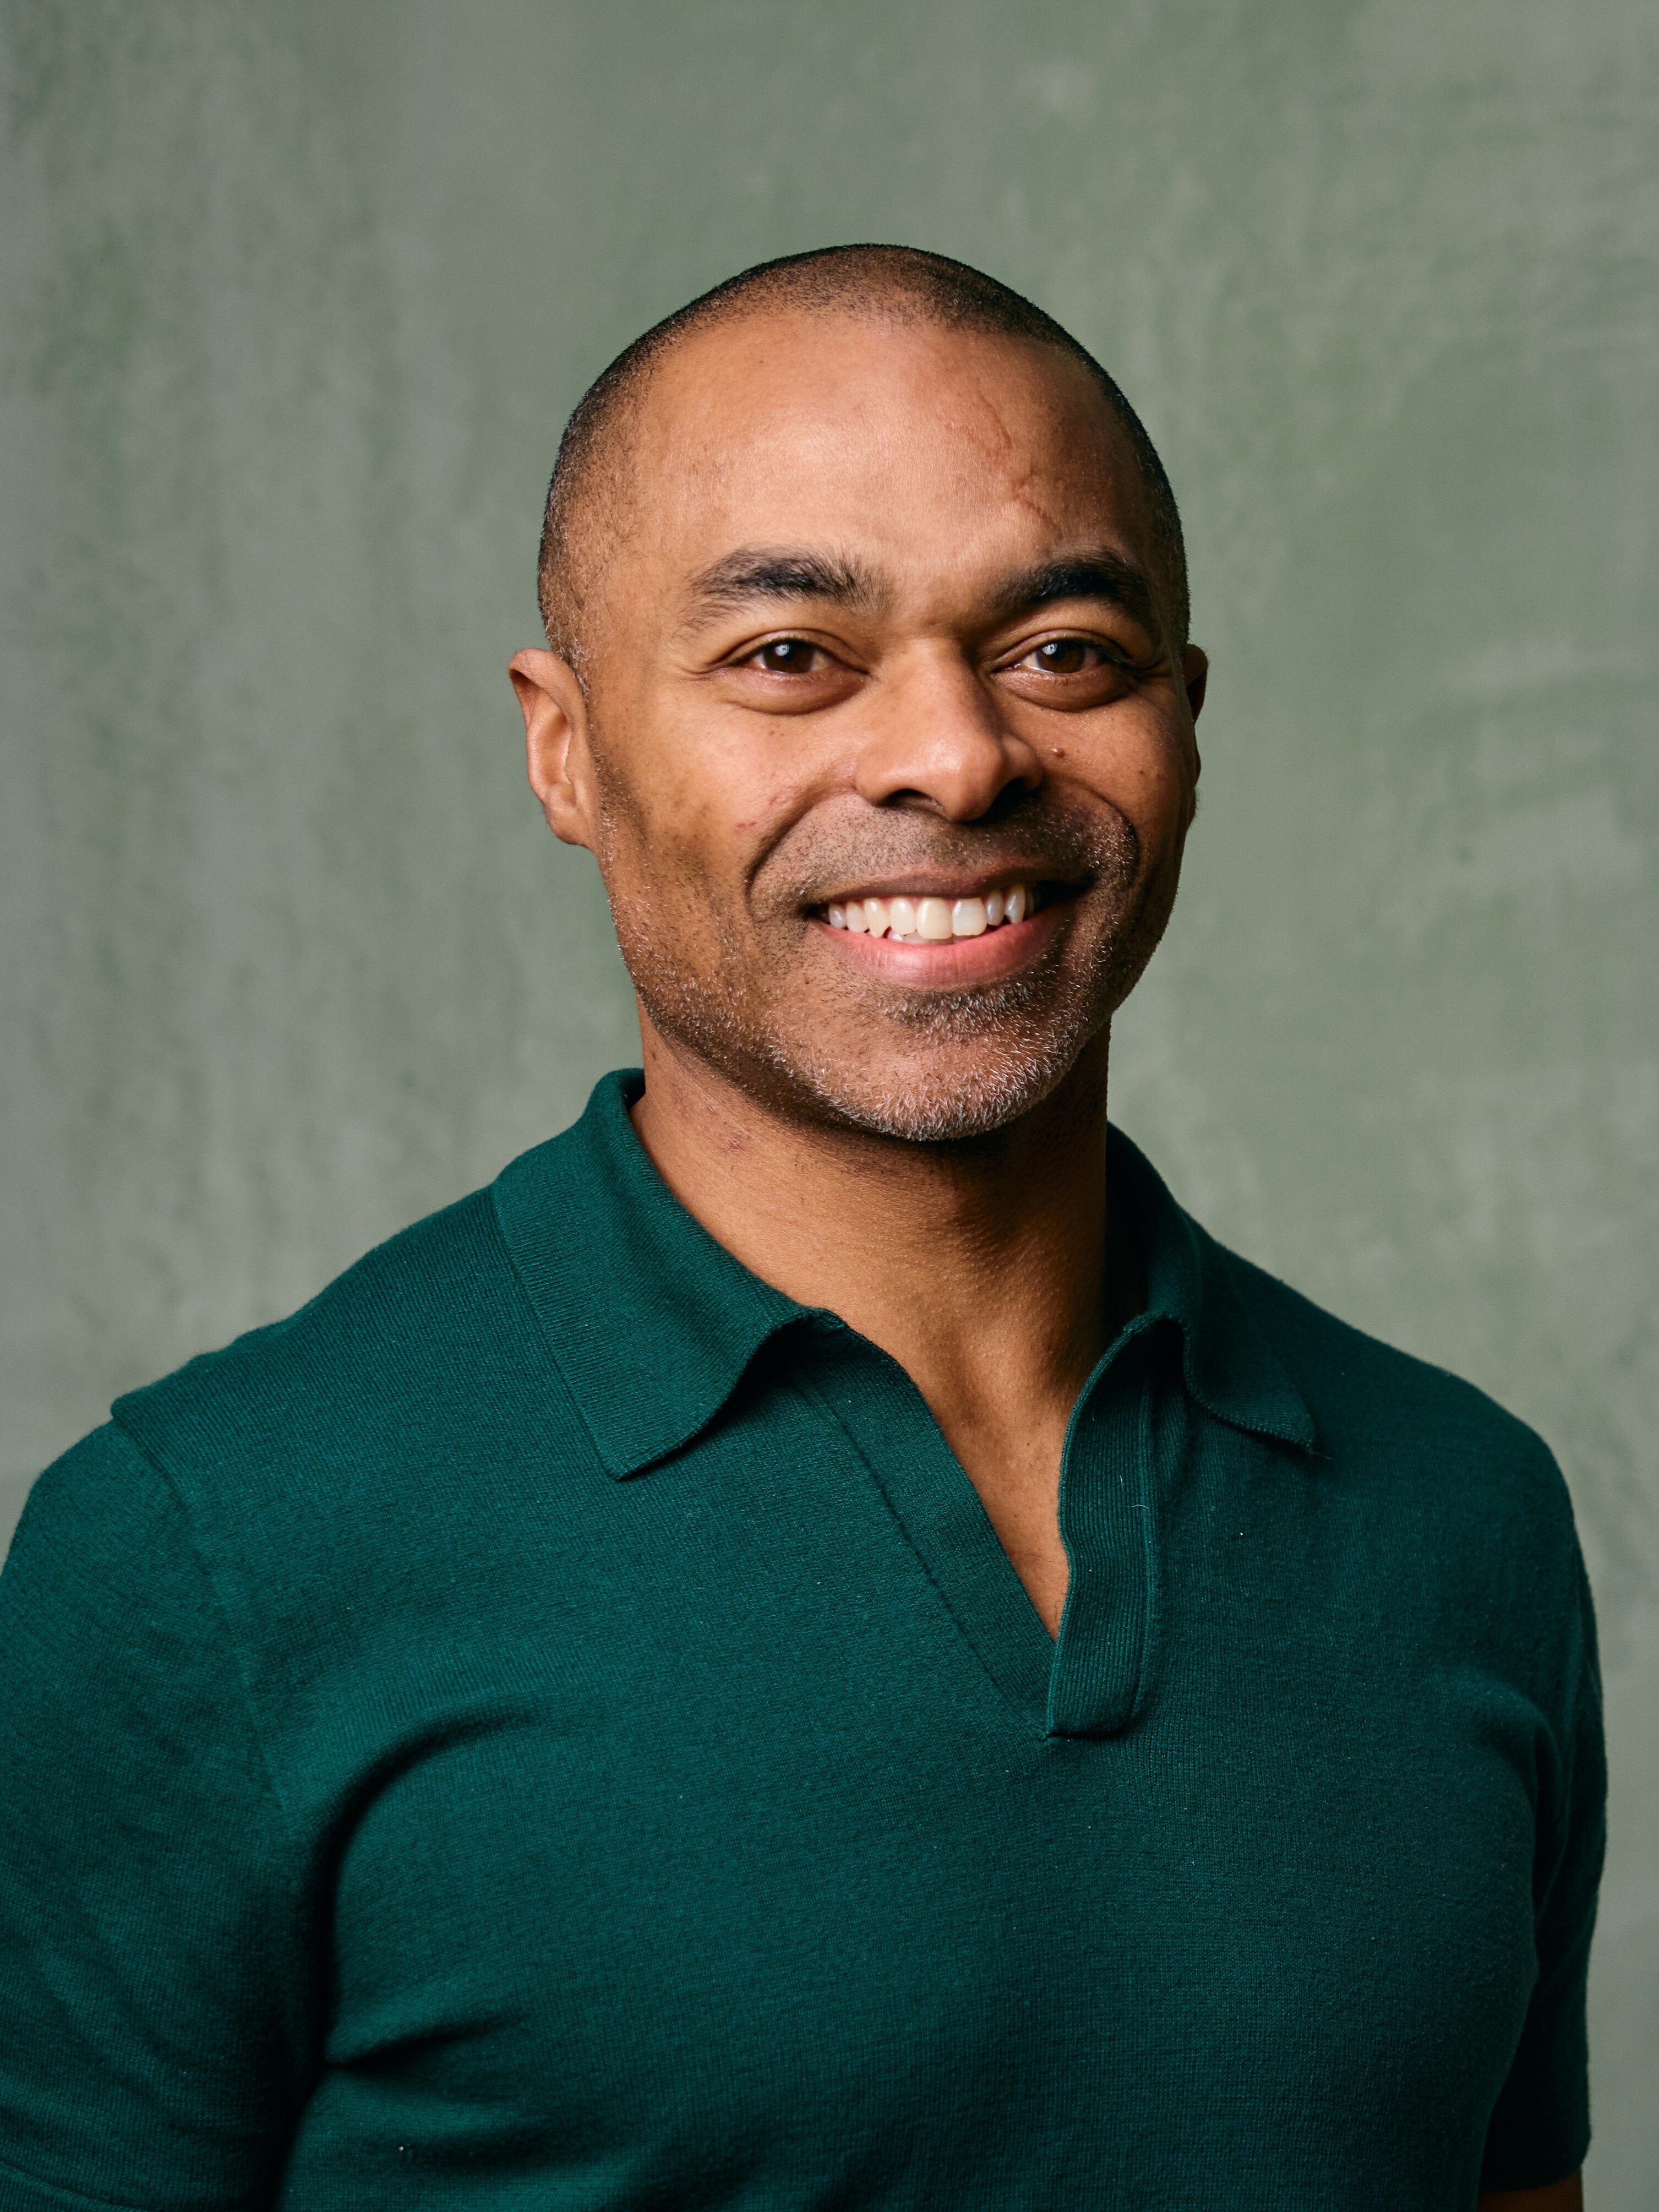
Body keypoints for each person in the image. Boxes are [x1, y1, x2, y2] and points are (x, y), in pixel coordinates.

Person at [0, 247, 1601, 2211]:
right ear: (565, 748)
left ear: (1185, 725)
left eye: (1064, 653)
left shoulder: (1464, 1511)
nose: (952, 753)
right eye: (790, 657)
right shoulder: (205, 1553)